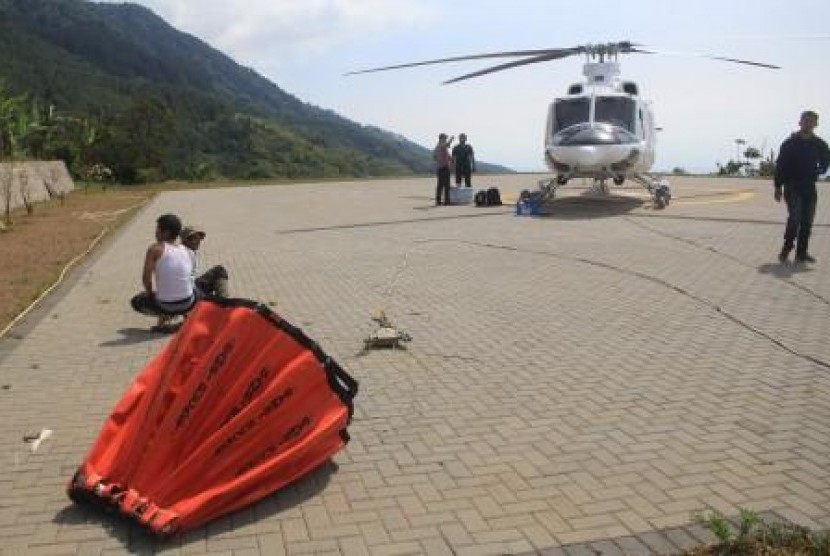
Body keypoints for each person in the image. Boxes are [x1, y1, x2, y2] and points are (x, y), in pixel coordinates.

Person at [774, 110, 830, 263]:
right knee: (795, 217)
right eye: (806, 120)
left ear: (816, 124)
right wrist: (778, 187)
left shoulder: (820, 144)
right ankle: (787, 247)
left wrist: (821, 170)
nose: (808, 124)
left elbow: (826, 161)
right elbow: (780, 166)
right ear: (800, 122)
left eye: (811, 121)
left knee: (807, 221)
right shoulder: (789, 143)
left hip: (809, 187)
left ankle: (802, 252)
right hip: (792, 186)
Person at [130, 214, 196, 331]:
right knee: (194, 289)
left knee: (137, 301)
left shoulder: (155, 249)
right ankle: (187, 316)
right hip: (188, 302)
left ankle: (167, 317)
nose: (155, 233)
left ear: (165, 232)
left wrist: (149, 293)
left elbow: (146, 278)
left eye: (157, 230)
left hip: (166, 304)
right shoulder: (187, 250)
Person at [180, 225, 230, 298]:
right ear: (186, 240)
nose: (198, 241)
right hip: (191, 292)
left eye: (199, 239)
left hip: (193, 287)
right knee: (219, 270)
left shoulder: (187, 251)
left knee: (216, 273)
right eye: (195, 239)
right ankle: (224, 302)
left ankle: (222, 300)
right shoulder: (185, 254)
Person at [433, 133, 453, 205]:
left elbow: (435, 156)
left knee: (441, 185)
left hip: (442, 167)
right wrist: (451, 140)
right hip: (443, 168)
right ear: (441, 139)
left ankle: (440, 200)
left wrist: (451, 160)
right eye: (445, 138)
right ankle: (446, 201)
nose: (445, 140)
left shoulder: (440, 147)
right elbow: (446, 145)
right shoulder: (440, 146)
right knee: (445, 185)